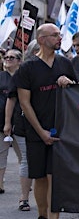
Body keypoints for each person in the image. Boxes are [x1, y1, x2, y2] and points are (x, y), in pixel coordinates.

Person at [16, 23, 77, 219]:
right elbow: (25, 103)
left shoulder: (66, 64)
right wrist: (41, 132)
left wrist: (70, 83)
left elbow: (77, 94)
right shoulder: (27, 68)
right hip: (36, 132)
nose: (60, 38)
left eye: (60, 34)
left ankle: (53, 217)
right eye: (55, 35)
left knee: (56, 177)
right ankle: (43, 215)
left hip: (61, 130)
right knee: (40, 177)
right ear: (42, 40)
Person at [3, 49, 33, 211]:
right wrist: (7, 122)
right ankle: (24, 198)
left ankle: (48, 196)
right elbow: (11, 99)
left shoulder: (54, 68)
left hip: (44, 123)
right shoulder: (19, 76)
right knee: (26, 159)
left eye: (11, 57)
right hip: (21, 124)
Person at [0, 50, 23, 195]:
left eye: (12, 57)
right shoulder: (1, 76)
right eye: (6, 57)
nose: (8, 59)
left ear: (19, 61)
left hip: (21, 121)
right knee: (0, 154)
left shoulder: (23, 77)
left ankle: (26, 185)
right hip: (1, 121)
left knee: (23, 155)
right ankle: (0, 183)